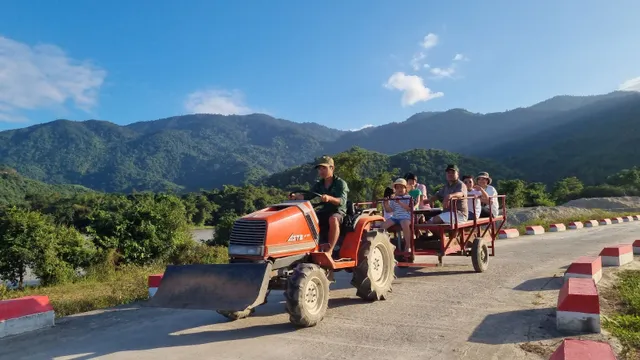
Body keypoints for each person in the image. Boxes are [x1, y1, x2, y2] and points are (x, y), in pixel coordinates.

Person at [289, 155, 349, 255]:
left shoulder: (340, 183)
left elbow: (342, 201)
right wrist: (296, 196)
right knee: (307, 218)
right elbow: (308, 195)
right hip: (325, 210)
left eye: (324, 168)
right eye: (319, 169)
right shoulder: (319, 184)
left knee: (333, 219)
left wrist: (329, 198)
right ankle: (308, 246)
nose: (321, 171)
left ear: (332, 168)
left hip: (338, 211)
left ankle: (330, 250)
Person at [382, 178, 413, 253]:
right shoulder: (394, 199)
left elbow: (409, 208)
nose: (400, 189)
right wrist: (386, 203)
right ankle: (386, 244)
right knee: (383, 226)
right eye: (397, 187)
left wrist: (399, 203)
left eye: (402, 187)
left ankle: (408, 246)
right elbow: (389, 210)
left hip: (406, 217)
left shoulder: (408, 198)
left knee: (405, 224)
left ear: (405, 189)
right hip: (395, 217)